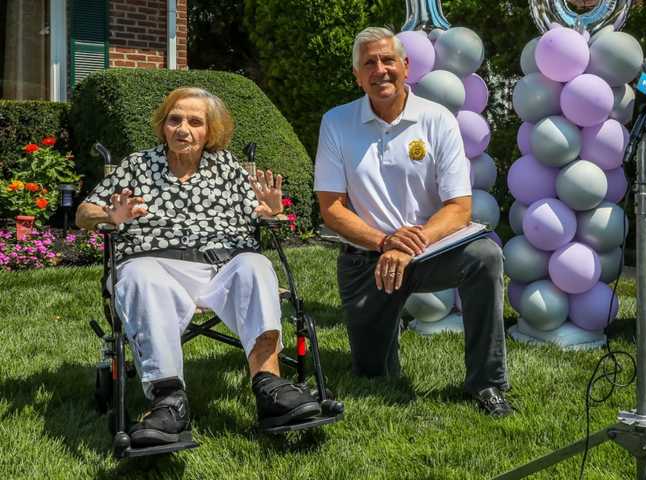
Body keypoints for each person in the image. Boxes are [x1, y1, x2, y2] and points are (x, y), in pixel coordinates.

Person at [76, 87, 321, 447]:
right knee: (139, 277)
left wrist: (273, 212)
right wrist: (110, 215)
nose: (183, 129)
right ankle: (168, 401)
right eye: (174, 120)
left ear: (211, 131)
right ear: (163, 126)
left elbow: (262, 213)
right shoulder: (136, 166)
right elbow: (83, 213)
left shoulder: (227, 168)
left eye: (195, 121)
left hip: (222, 266)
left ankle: (271, 388)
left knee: (255, 265)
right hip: (154, 263)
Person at [314, 27, 512, 417]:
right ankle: (381, 348)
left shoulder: (437, 119)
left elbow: (459, 207)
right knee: (372, 374)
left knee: (486, 255)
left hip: (431, 252)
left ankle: (487, 383)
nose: (380, 69)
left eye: (388, 60)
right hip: (367, 258)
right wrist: (386, 243)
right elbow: (331, 208)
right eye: (369, 63)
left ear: (405, 66)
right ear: (357, 75)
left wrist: (408, 246)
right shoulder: (336, 122)